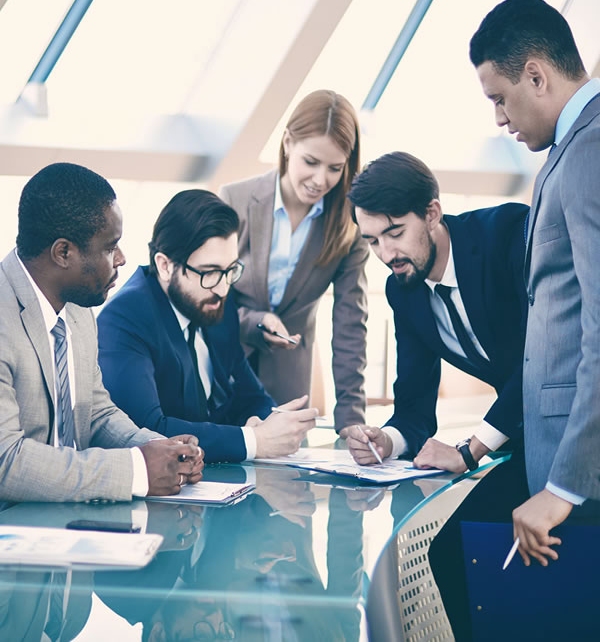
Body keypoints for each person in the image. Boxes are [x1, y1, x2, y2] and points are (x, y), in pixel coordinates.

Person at [428, 0, 600, 641]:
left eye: (499, 97)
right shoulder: (566, 149)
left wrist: (565, 488)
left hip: (578, 467)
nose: (499, 118)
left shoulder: (590, 149)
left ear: (537, 74)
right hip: (555, 455)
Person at [0, 163, 203, 503]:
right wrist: (137, 471)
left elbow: (95, 413)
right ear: (63, 252)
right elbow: (6, 461)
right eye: (110, 247)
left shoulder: (79, 309)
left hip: (66, 521)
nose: (122, 259)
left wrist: (160, 451)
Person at [98, 189, 317, 463]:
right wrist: (253, 441)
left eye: (230, 270)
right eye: (210, 272)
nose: (224, 288)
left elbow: (251, 395)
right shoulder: (124, 319)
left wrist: (261, 421)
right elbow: (145, 429)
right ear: (165, 265)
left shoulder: (214, 298)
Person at [345, 151, 529, 472]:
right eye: (372, 241)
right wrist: (387, 441)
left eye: (395, 232)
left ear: (432, 214)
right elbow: (414, 402)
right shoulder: (403, 289)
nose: (386, 254)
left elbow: (541, 359)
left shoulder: (507, 234)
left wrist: (469, 451)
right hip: (521, 439)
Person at [219, 90, 368, 435]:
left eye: (335, 168)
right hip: (222, 373)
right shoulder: (235, 200)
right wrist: (255, 321)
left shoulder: (349, 226)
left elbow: (350, 326)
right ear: (287, 143)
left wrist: (351, 421)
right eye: (311, 162)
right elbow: (204, 296)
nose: (321, 180)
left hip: (285, 389)